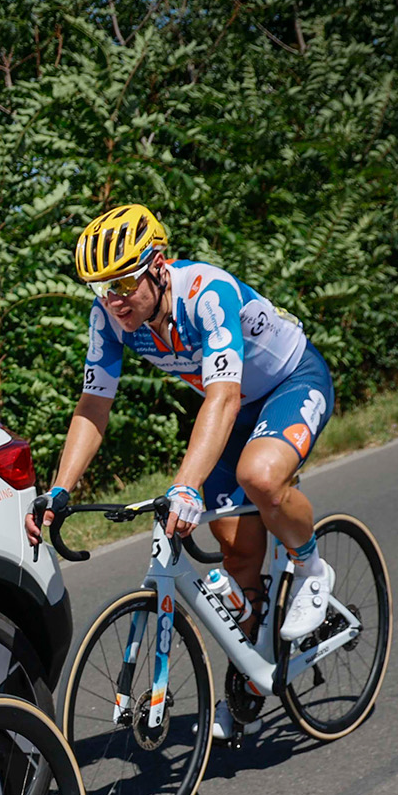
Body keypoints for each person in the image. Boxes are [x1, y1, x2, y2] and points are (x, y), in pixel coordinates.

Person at [24, 204, 338, 742]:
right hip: (232, 408)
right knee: (236, 549)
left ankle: (311, 569)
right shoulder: (111, 319)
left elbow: (223, 393)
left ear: (158, 265)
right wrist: (59, 489)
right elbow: (93, 405)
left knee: (260, 477)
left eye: (123, 282)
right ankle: (253, 679)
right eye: (102, 289)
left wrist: (187, 484)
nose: (114, 300)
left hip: (288, 382)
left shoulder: (207, 293)